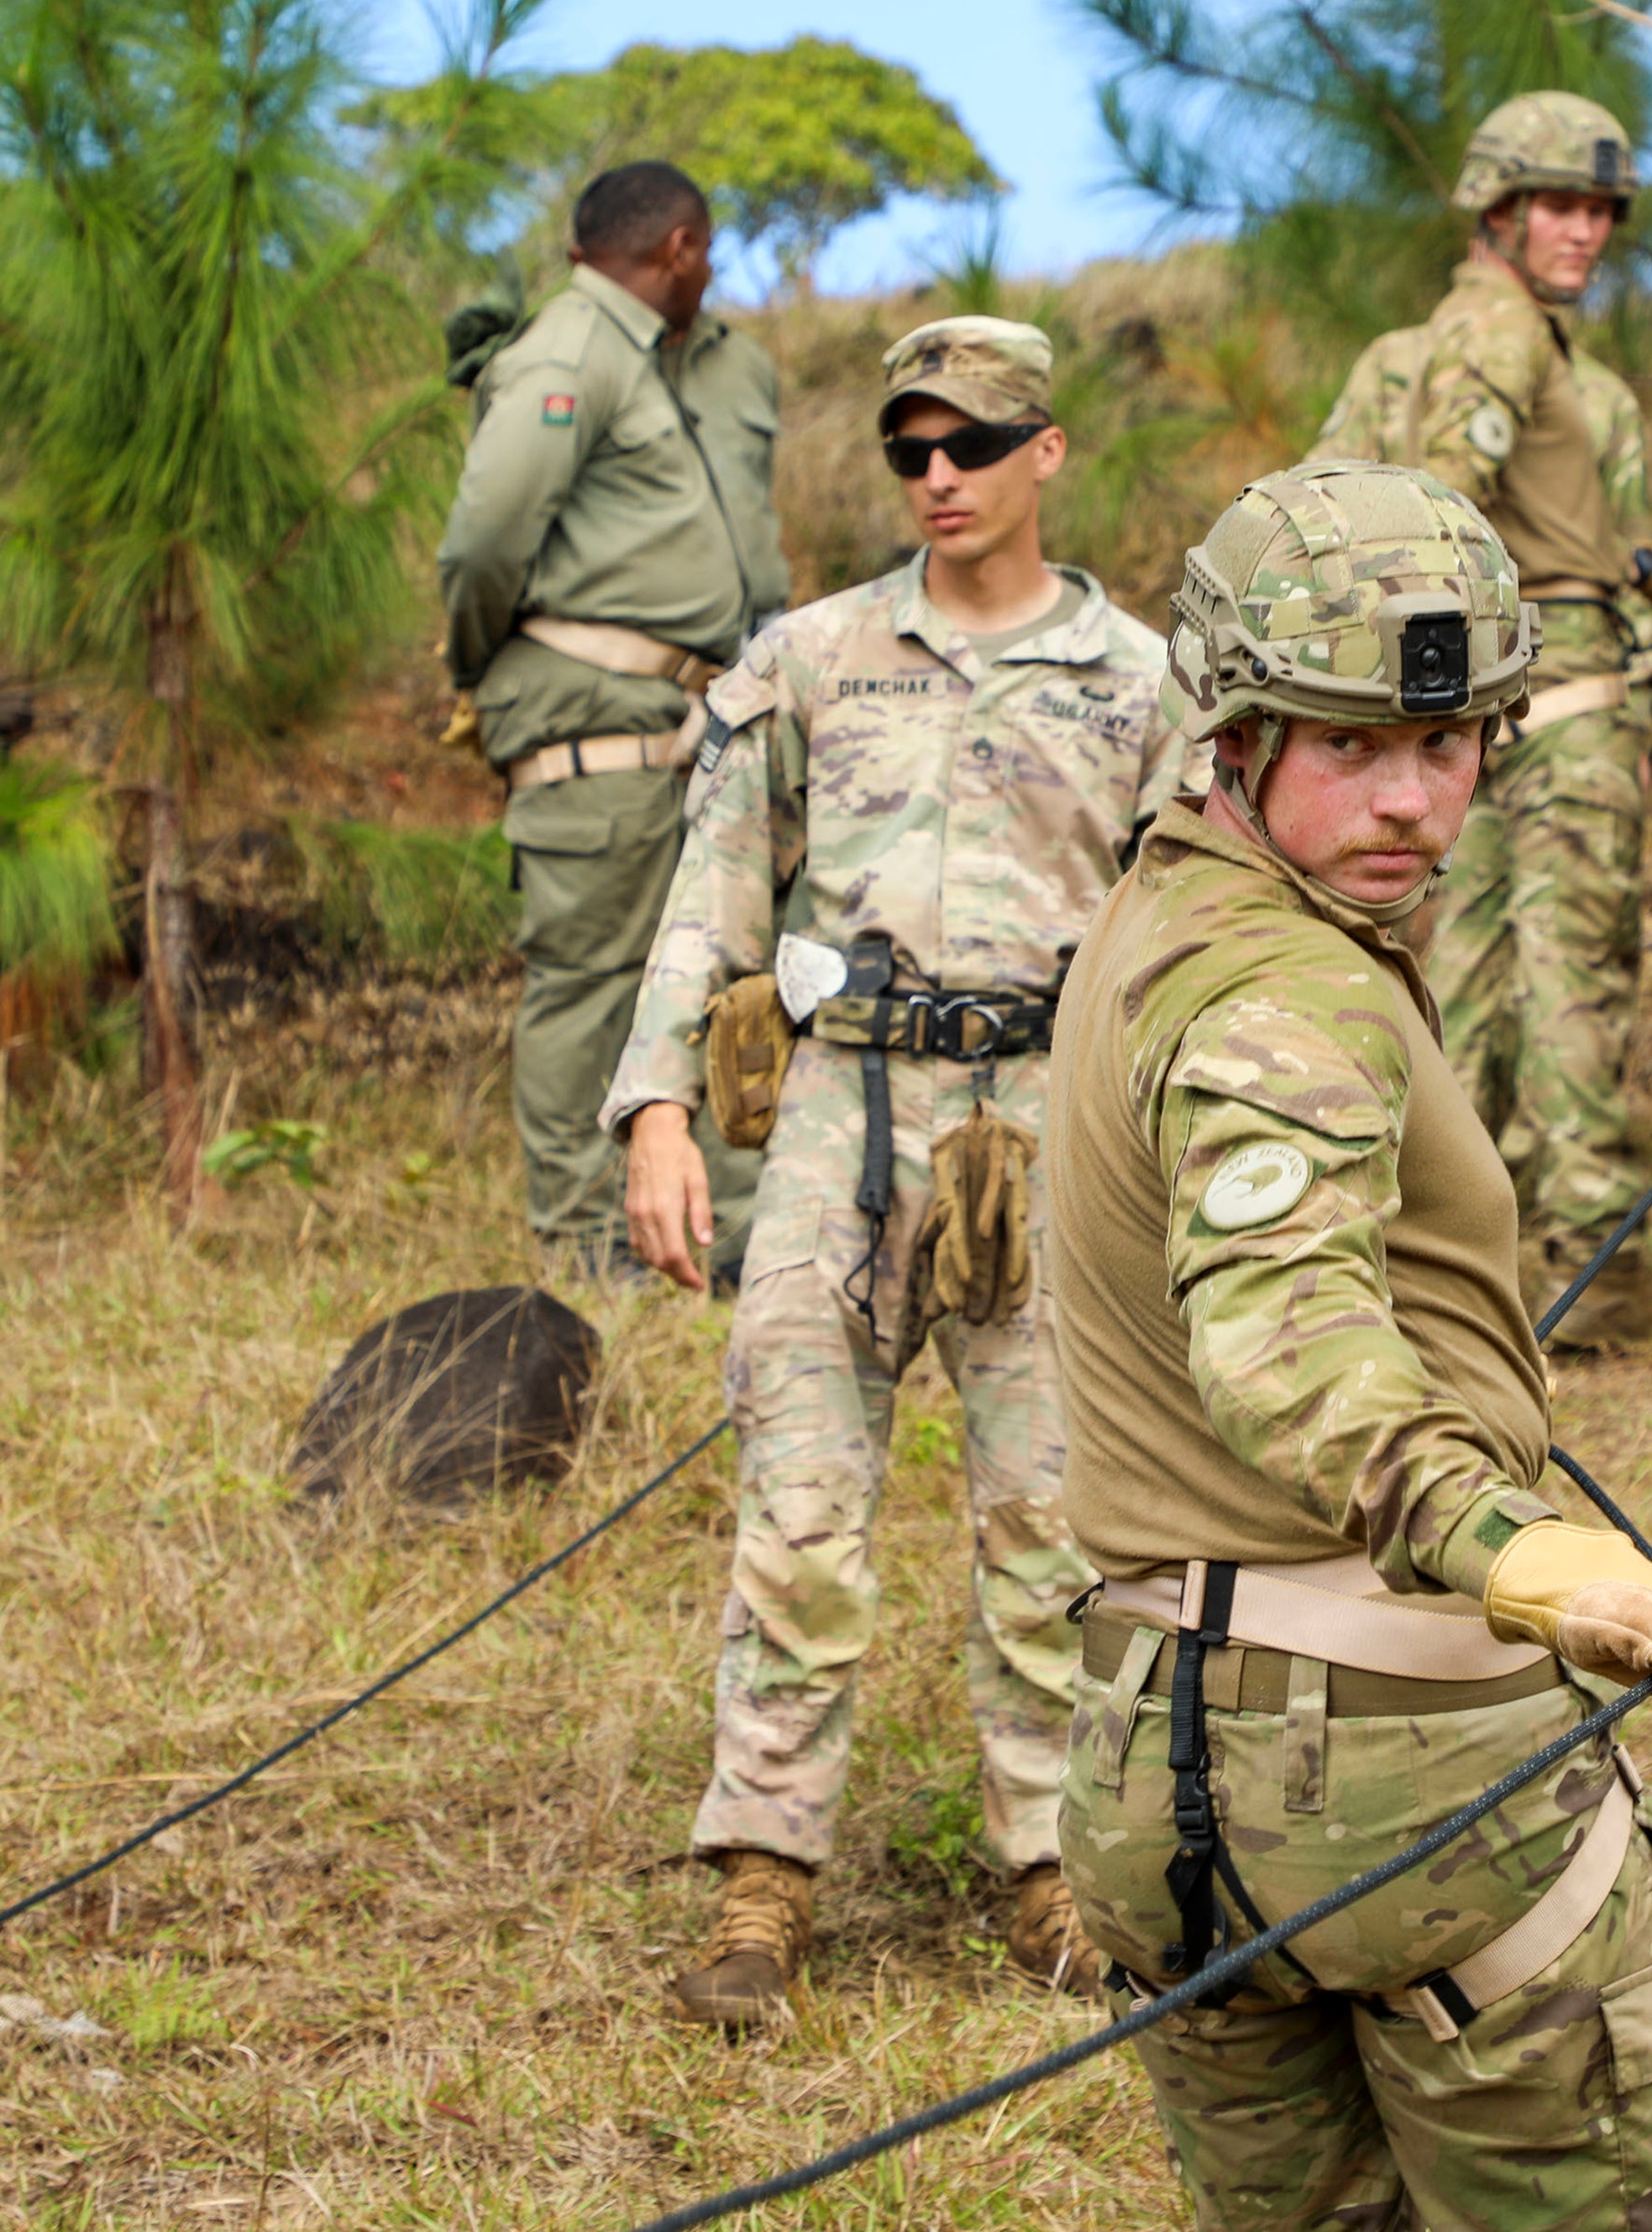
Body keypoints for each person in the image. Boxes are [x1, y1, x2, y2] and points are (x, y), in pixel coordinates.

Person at [1042, 459, 1652, 2229]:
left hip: (1157, 1775)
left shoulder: (1158, 917)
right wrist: (1529, 1557)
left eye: (1442, 749)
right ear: (1236, 739)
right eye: (1347, 747)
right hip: (1405, 1772)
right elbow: (1289, 1344)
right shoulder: (1283, 995)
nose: (1407, 801)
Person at [602, 317, 1180, 2025]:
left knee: (1052, 1525)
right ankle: (763, 1880)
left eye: (973, 447)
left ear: (1046, 454)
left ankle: (1053, 1868)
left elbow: (1192, 930)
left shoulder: (1142, 682)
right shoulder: (813, 657)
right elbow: (711, 891)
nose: (938, 478)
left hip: (1049, 1132)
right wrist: (655, 1113)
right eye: (910, 451)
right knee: (796, 1509)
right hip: (844, 1126)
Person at [1307, 92, 1652, 1352]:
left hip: (1483, 704)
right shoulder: (1498, 331)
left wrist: (1631, 561)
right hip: (1539, 697)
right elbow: (1447, 514)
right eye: (1559, 205)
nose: (1584, 230)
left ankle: (1437, 1262)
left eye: (1600, 209)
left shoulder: (1456, 342)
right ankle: (1593, 1269)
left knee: (1458, 990)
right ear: (1497, 208)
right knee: (1570, 982)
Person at [438, 161, 784, 1284]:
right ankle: (591, 1247)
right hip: (599, 718)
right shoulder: (568, 352)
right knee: (589, 982)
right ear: (680, 246)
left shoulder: (715, 364)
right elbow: (487, 540)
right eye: (710, 252)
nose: (713, 273)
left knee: (727, 968)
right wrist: (488, 665)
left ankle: (722, 1230)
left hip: (715, 713)